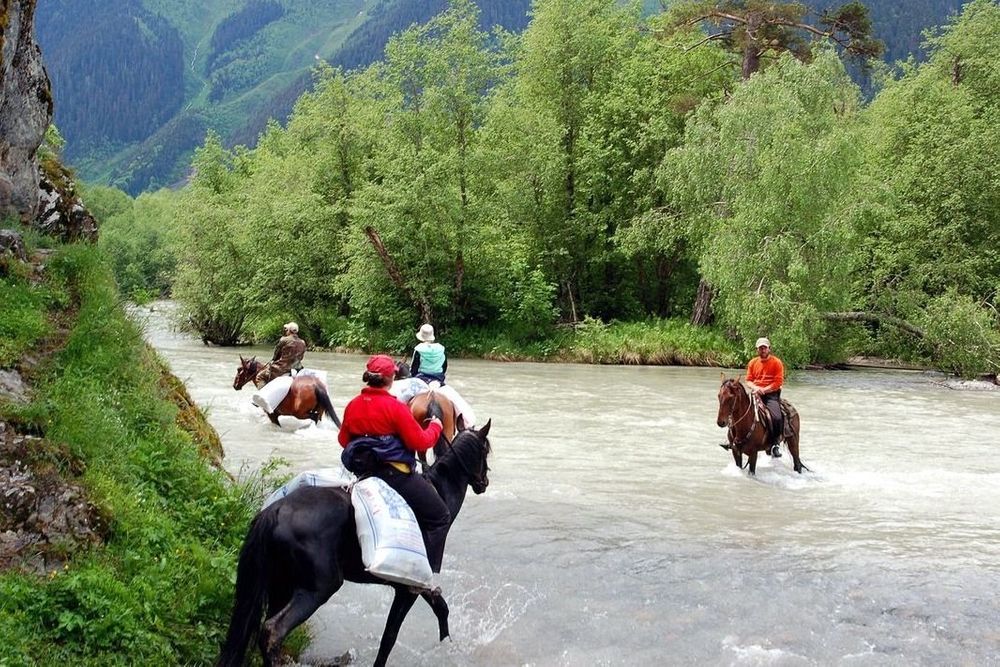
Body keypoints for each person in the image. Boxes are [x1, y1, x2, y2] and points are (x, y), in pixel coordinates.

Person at [338, 354, 450, 581]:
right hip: (394, 475)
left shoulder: (353, 405)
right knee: (440, 516)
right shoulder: (395, 407)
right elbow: (420, 442)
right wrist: (437, 426)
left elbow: (343, 441)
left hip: (363, 474)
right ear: (392, 378)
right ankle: (424, 577)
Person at [745, 336, 784, 458]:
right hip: (755, 392)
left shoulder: (777, 362)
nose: (762, 350)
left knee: (777, 417)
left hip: (771, 394)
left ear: (769, 349)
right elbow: (748, 380)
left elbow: (778, 382)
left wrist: (764, 389)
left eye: (764, 348)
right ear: (757, 350)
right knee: (737, 409)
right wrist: (756, 388)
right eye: (760, 348)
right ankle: (733, 439)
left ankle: (775, 444)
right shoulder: (752, 363)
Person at [255, 321, 306, 386]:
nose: (286, 331)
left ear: (289, 331)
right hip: (298, 368)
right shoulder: (303, 342)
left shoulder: (284, 340)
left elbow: (276, 353)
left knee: (260, 376)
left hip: (282, 368)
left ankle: (264, 395)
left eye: (287, 330)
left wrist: (273, 360)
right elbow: (301, 357)